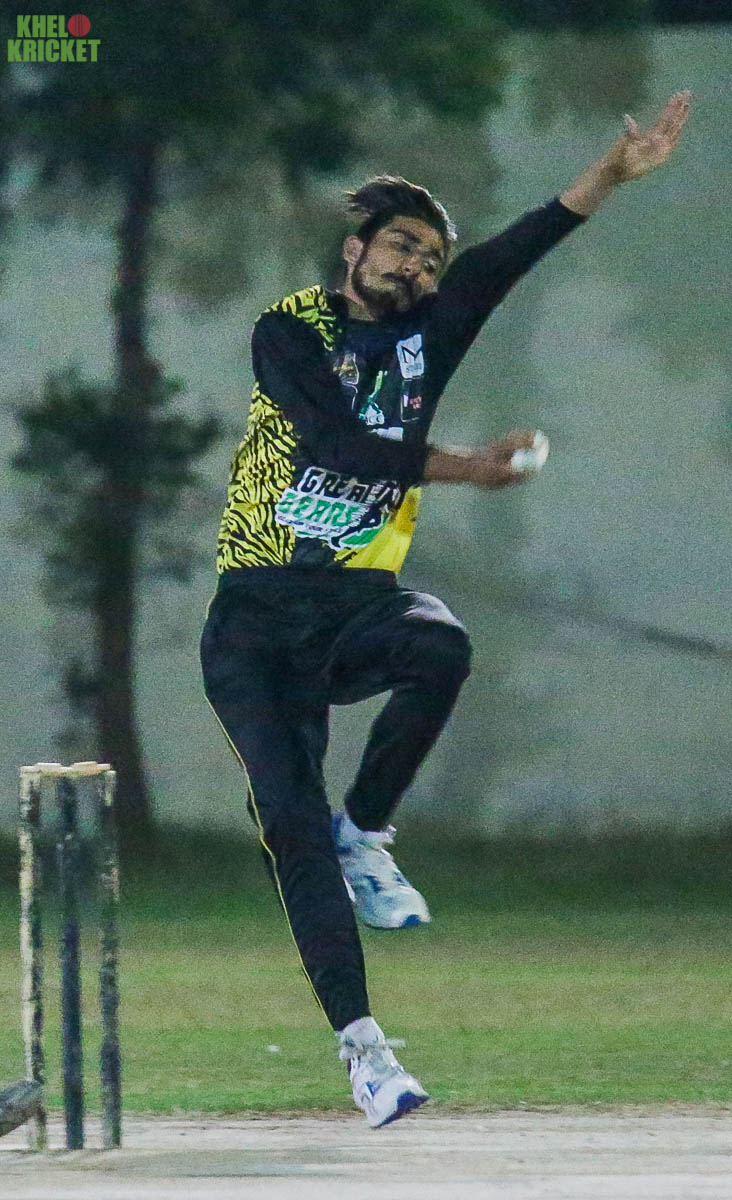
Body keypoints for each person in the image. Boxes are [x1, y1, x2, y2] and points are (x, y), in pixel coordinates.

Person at [201, 92, 690, 1127]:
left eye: (429, 259)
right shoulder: (288, 330)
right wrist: (466, 467)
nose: (416, 268)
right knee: (288, 825)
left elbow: (518, 250)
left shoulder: (433, 330)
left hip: (355, 605)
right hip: (255, 619)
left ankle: (368, 832)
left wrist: (610, 173)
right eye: (401, 247)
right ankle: (366, 1052)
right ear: (356, 248)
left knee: (440, 646)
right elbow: (336, 444)